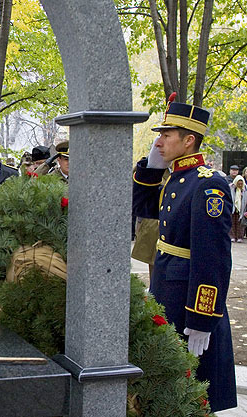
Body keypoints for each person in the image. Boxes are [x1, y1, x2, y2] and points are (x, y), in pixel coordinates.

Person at [132, 97, 236, 412]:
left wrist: (202, 318)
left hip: (190, 302)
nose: (159, 141)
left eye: (167, 135)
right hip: (167, 289)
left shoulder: (209, 186)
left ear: (189, 140)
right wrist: (150, 169)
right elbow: (143, 207)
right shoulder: (176, 178)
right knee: (172, 391)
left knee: (194, 392)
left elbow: (213, 260)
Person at [230, 175, 247, 242]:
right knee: (232, 223)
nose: (240, 185)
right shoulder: (231, 188)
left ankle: (240, 237)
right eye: (238, 183)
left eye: (241, 184)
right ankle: (232, 236)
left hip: (242, 208)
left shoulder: (245, 189)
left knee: (241, 224)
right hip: (233, 208)